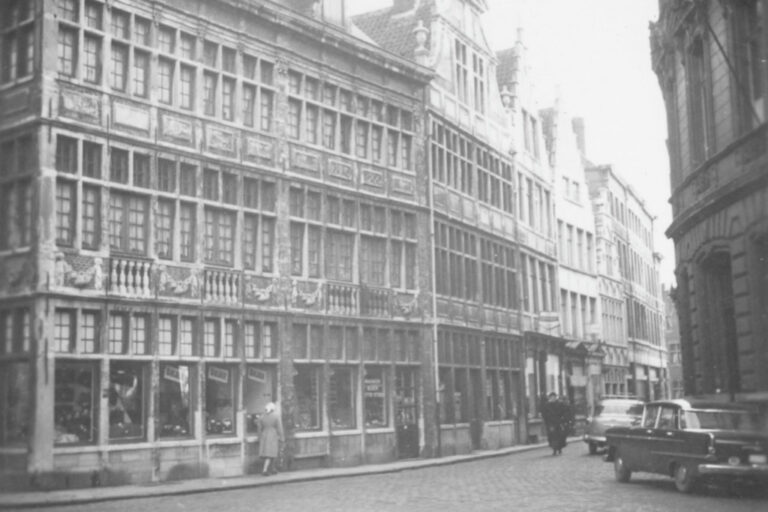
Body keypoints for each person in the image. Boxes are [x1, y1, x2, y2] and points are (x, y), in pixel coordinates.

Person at [257, 402, 284, 476]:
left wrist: (259, 437)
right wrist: (282, 437)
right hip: (273, 435)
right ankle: (265, 470)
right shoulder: (276, 416)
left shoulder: (261, 417)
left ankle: (272, 468)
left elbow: (259, 429)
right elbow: (279, 428)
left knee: (270, 453)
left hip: (264, 435)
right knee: (271, 453)